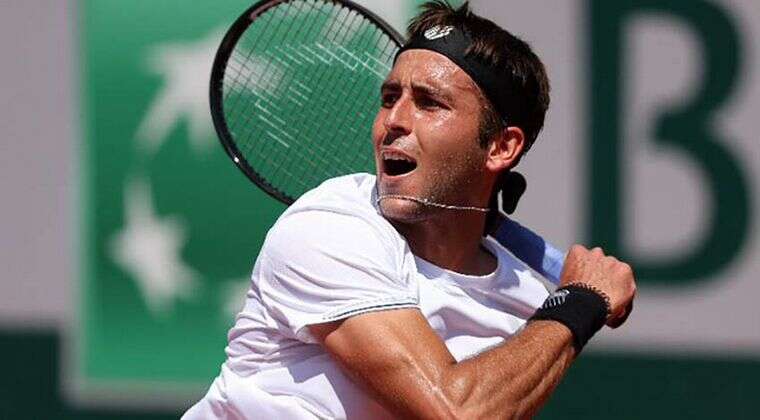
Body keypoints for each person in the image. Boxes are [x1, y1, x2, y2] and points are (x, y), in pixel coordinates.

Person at [184, 1, 636, 419]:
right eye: (389, 98)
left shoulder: (528, 302)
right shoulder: (332, 226)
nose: (393, 121)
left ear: (501, 147)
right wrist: (579, 304)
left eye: (429, 103)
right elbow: (458, 411)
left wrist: (562, 310)